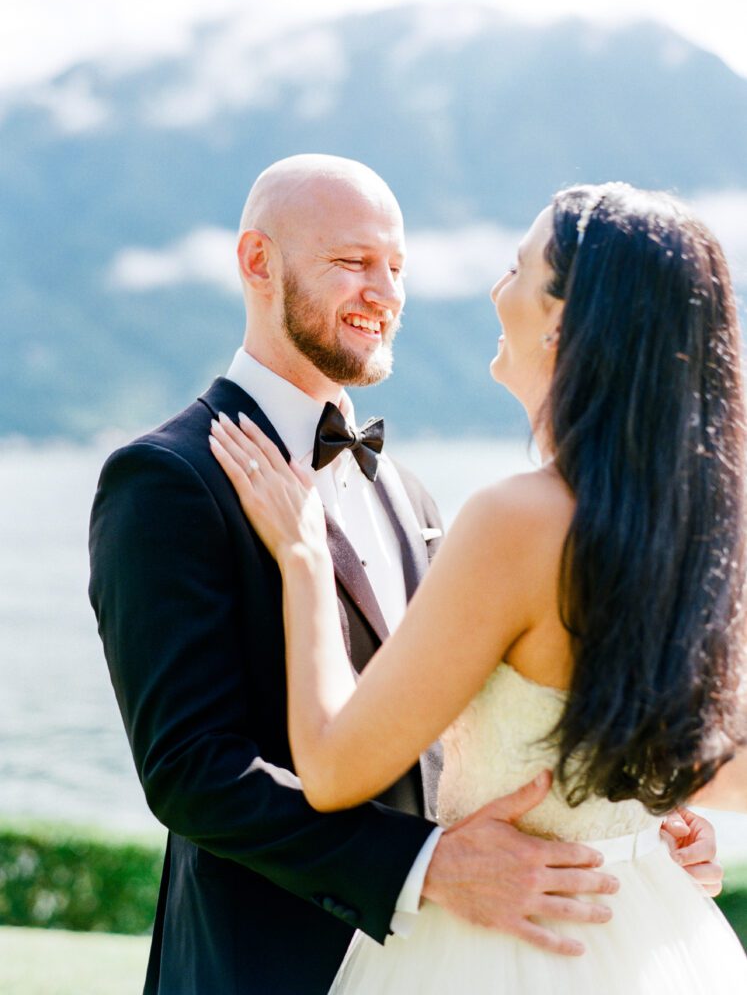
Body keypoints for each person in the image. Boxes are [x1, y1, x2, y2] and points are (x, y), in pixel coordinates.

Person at [209, 180, 747, 992]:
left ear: (560, 322)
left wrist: (305, 557)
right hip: (652, 930)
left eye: (515, 268)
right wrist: (641, 820)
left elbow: (328, 765)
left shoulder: (517, 519)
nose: (494, 290)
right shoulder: (701, 520)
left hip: (507, 952)